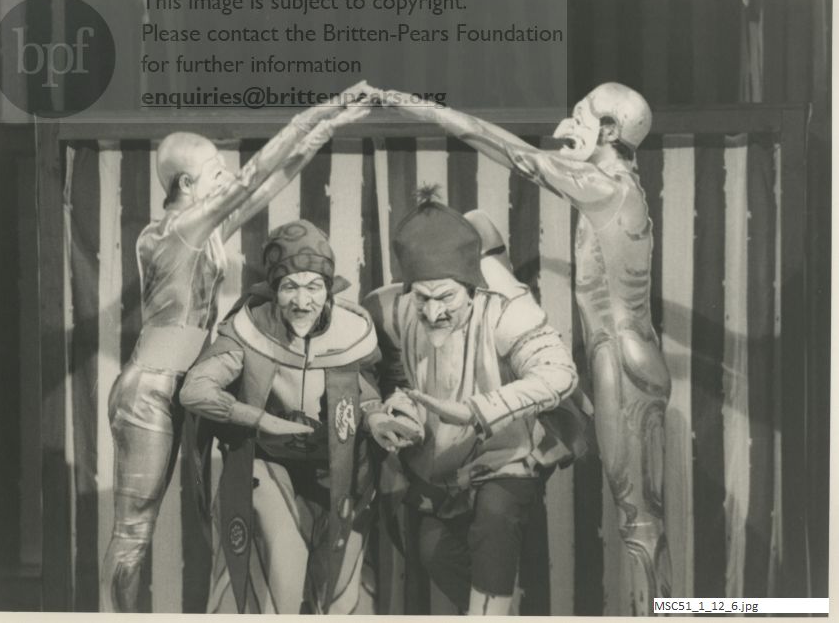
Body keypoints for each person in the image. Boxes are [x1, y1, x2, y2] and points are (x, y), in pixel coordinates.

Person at [374, 82, 673, 614]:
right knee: (639, 521)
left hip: (619, 355)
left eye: (579, 116)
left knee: (639, 522)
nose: (567, 126)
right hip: (614, 352)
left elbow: (518, 155)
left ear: (608, 130)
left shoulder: (606, 184)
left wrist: (426, 109)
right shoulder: (615, 186)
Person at [100, 85, 371, 612]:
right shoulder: (176, 228)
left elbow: (269, 182)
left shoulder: (203, 232)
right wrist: (323, 109)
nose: (227, 179)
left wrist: (326, 130)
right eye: (215, 172)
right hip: (150, 390)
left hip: (186, 387)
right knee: (134, 532)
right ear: (185, 182)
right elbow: (252, 178)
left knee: (189, 515)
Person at [362, 195, 586, 615]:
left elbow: (560, 373)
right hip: (441, 464)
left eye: (445, 297)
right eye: (422, 297)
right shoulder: (390, 309)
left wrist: (477, 409)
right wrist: (393, 409)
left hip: (505, 452)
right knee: (432, 553)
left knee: (495, 523)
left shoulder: (507, 309)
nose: (432, 312)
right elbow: (381, 372)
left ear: (471, 286)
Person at [179, 220, 382, 614]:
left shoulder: (351, 333)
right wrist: (263, 420)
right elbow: (195, 390)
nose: (302, 301)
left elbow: (366, 398)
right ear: (274, 290)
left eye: (313, 287)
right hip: (268, 468)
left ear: (328, 290)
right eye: (290, 286)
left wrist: (380, 420)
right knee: (280, 577)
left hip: (336, 477)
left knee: (342, 597)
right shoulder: (247, 330)